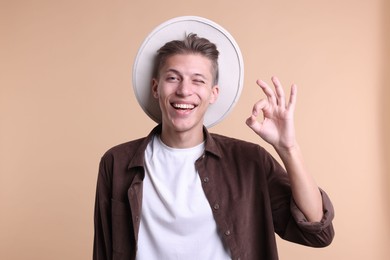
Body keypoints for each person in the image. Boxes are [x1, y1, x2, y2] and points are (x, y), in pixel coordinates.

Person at [93, 33, 334, 260]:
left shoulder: (250, 161)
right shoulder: (117, 163)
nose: (184, 90)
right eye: (173, 78)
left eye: (198, 81)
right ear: (156, 88)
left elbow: (317, 232)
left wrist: (288, 148)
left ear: (213, 93)